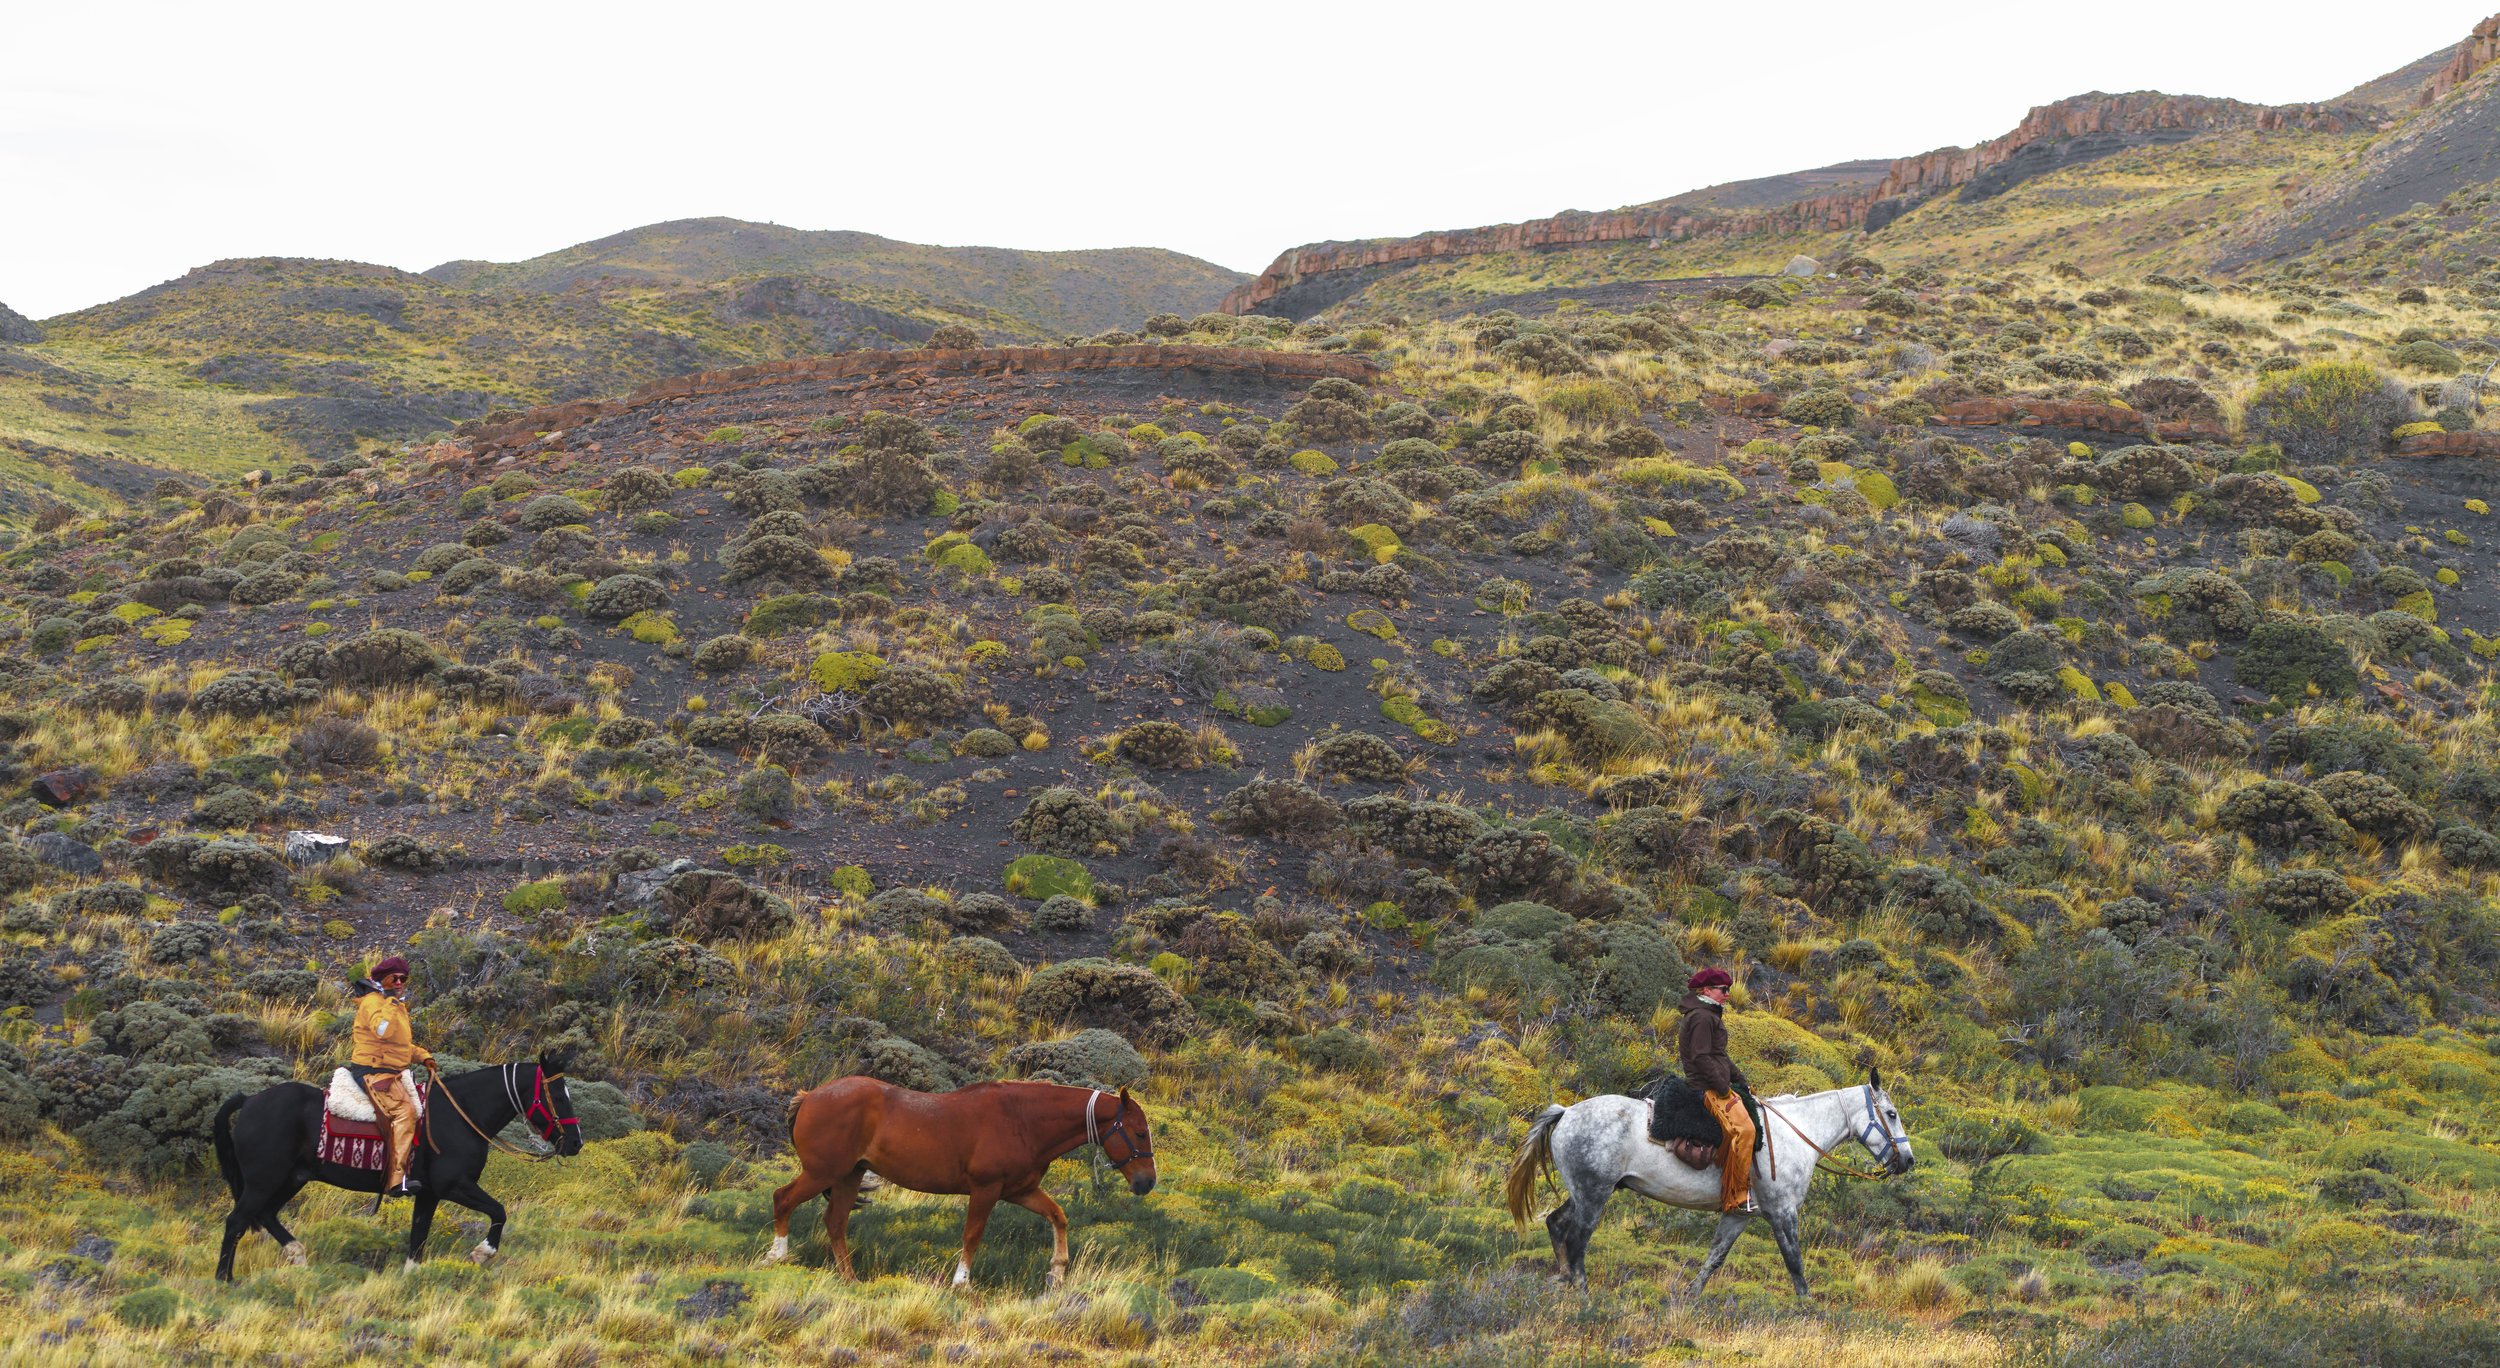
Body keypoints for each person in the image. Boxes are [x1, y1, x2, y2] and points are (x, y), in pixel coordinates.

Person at [349, 956, 435, 1196]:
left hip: (391, 1070)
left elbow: (400, 1045)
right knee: (405, 1112)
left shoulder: (395, 1004)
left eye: (403, 978)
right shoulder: (373, 1003)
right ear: (381, 980)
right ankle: (397, 1182)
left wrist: (423, 1056)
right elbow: (381, 1030)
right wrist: (391, 1000)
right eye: (394, 978)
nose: (399, 982)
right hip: (372, 1070)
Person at [1678, 966, 1757, 1214]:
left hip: (1714, 1084)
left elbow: (1718, 1055)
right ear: (1706, 990)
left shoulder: (1708, 1014)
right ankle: (1735, 1197)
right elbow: (1701, 1058)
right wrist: (1724, 1088)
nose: (1727, 995)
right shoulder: (1702, 1017)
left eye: (1728, 990)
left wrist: (1739, 1080)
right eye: (1723, 990)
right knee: (1745, 1131)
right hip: (1706, 1088)